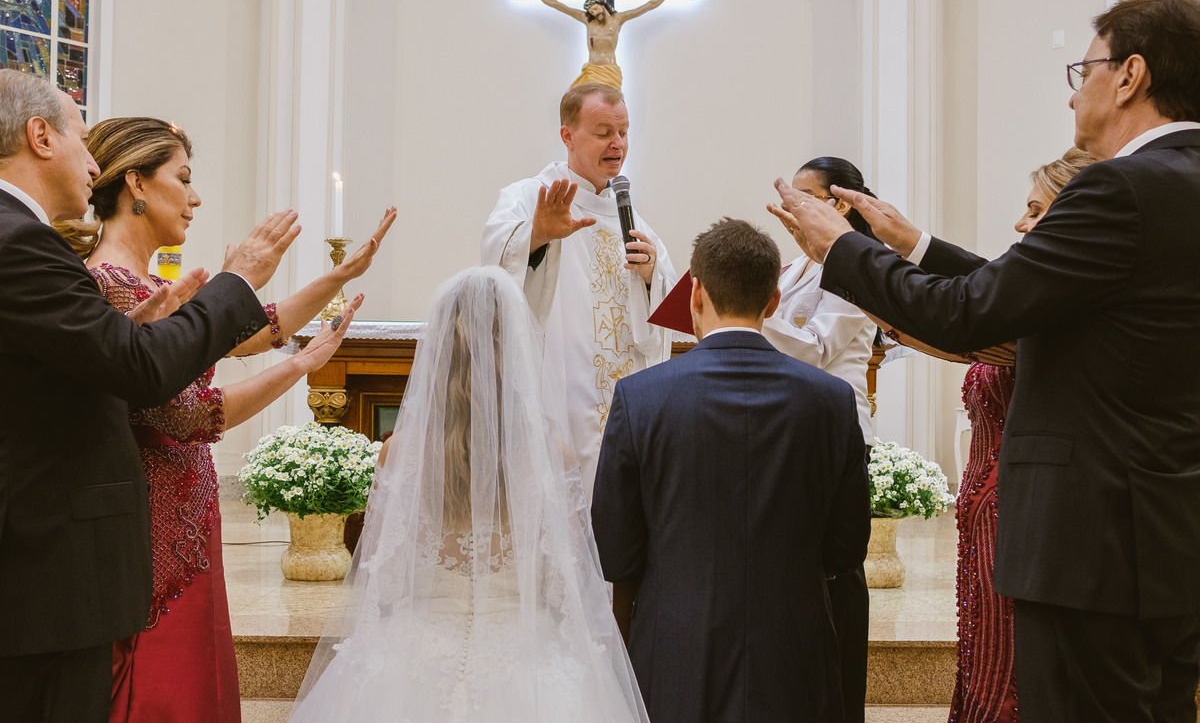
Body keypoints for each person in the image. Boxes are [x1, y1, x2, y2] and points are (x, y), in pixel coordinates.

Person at [778, 0, 1200, 723]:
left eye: (1086, 70)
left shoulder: (1119, 188)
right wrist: (916, 246)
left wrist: (841, 248)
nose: (1075, 96)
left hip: (1092, 549)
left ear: (1130, 75)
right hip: (1171, 540)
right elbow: (1044, 300)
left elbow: (971, 313)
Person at [50, 116, 394, 723]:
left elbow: (250, 331)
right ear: (136, 184)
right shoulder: (108, 284)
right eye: (182, 178)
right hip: (154, 534)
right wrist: (299, 367)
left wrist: (337, 277)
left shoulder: (148, 282)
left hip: (184, 516)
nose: (196, 196)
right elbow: (189, 417)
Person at [0, 71, 299, 723]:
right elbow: (147, 377)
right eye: (82, 137)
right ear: (40, 136)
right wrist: (238, 279)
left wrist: (117, 342)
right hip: (47, 564)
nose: (93, 158)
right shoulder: (19, 241)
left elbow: (79, 369)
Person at [290, 266, 650, 723]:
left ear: (438, 350)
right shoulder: (551, 456)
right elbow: (564, 590)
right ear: (517, 349)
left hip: (413, 658)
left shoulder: (398, 454)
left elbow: (386, 583)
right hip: (524, 658)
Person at [591, 218, 871, 723]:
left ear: (694, 293)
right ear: (772, 302)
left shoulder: (641, 397)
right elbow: (848, 545)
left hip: (677, 647)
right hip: (795, 650)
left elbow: (614, 546)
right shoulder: (831, 400)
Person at [861, 148, 1093, 723]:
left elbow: (963, 323)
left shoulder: (1061, 308)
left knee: (1011, 672)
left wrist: (870, 286)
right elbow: (982, 287)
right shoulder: (1040, 297)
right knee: (986, 661)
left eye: (1035, 210)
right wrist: (910, 241)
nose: (1020, 222)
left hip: (1019, 515)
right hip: (985, 516)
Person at [481, 82, 675, 499]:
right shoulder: (529, 196)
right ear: (568, 135)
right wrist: (535, 235)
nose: (617, 143)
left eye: (623, 131)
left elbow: (669, 305)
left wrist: (651, 275)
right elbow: (493, 267)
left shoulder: (632, 216)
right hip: (560, 383)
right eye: (604, 132)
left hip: (624, 392)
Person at [763, 156, 878, 723]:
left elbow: (814, 347)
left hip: (837, 434)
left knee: (837, 576)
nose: (789, 205)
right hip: (790, 428)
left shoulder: (861, 265)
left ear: (836, 204)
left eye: (800, 195)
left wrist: (742, 313)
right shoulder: (795, 267)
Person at [514, 0, 689, 89]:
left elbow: (650, 5)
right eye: (590, 10)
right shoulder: (586, 20)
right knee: (579, 101)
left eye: (595, 7)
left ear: (603, 5)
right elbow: (554, 3)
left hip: (611, 72)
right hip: (592, 71)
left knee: (611, 109)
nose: (593, 11)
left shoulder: (619, 19)